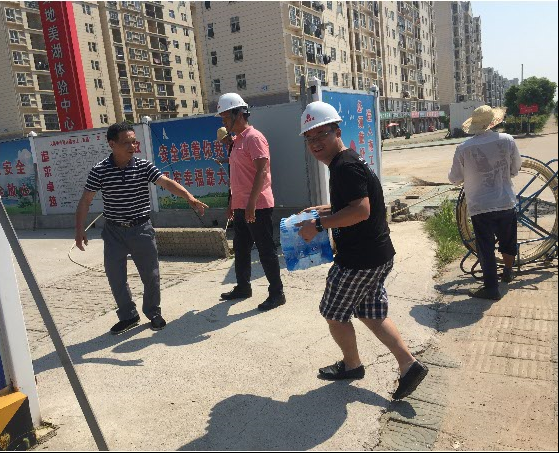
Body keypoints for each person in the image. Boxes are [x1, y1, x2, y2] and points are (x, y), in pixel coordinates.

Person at [296, 101, 428, 399]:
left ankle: (352, 365)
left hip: (359, 260)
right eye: (309, 138)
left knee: (333, 313)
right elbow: (352, 203)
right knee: (371, 313)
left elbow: (360, 210)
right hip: (377, 255)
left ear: (337, 132)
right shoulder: (347, 162)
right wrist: (321, 210)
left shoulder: (345, 167)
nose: (315, 143)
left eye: (321, 135)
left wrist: (318, 225)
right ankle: (409, 365)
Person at [75, 122, 208, 335]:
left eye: (134, 142)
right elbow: (85, 200)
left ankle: (153, 312)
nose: (132, 146)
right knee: (115, 276)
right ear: (112, 144)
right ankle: (128, 315)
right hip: (114, 232)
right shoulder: (99, 170)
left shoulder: (143, 166)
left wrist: (189, 197)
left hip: (141, 229)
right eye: (126, 143)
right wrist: (79, 229)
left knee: (151, 275)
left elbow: (166, 182)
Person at [216, 93, 285, 311]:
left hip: (257, 206)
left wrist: (252, 204)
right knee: (241, 248)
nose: (223, 122)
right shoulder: (237, 141)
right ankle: (243, 287)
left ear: (238, 115)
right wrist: (232, 203)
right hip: (240, 205)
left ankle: (277, 293)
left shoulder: (254, 138)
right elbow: (236, 176)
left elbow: (262, 171)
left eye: (225, 117)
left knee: (265, 249)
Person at [449, 105, 522, 300]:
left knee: (485, 247)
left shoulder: (464, 148)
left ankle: (491, 288)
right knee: (508, 240)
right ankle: (508, 272)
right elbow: (516, 168)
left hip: (480, 206)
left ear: (474, 125)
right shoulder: (507, 140)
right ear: (492, 122)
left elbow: (455, 178)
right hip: (505, 201)